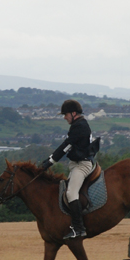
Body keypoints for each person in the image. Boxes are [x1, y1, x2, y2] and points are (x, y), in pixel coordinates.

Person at [41, 99, 96, 239]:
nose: (64, 117)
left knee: (71, 193)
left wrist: (50, 161)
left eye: (65, 114)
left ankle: (79, 229)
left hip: (82, 165)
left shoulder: (80, 127)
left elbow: (66, 146)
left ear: (73, 113)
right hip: (76, 163)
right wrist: (49, 159)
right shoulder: (78, 125)